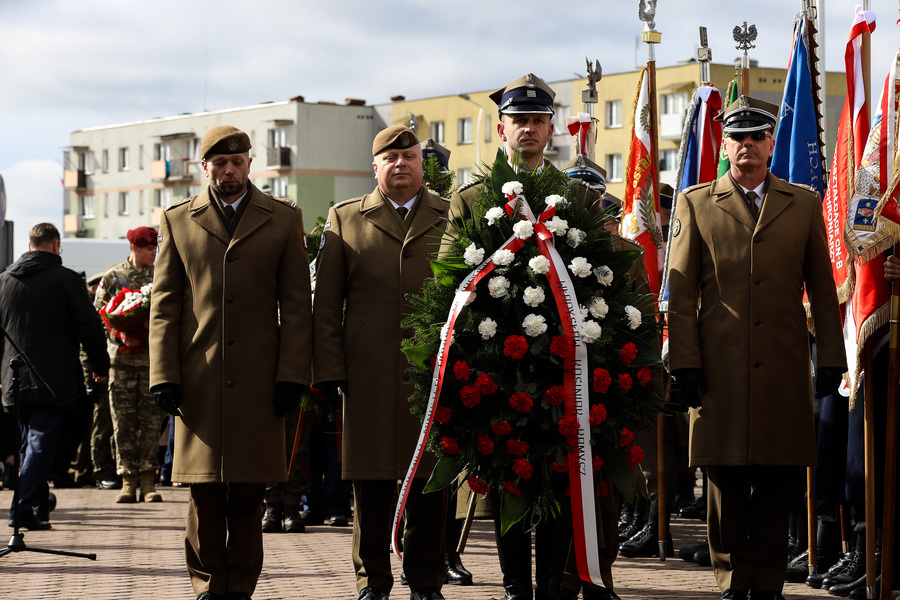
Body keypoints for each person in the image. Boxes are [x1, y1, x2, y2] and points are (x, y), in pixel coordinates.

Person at [445, 74, 620, 600]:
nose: (527, 128)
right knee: (507, 472)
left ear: (552, 129)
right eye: (518, 120)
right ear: (502, 128)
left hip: (559, 359)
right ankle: (516, 582)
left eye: (537, 120)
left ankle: (552, 583)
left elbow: (598, 273)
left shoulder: (573, 195)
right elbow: (449, 276)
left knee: (558, 470)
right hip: (495, 362)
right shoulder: (473, 197)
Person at [666, 95, 846, 600]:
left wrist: (830, 357)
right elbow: (679, 296)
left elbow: (824, 290)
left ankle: (767, 583)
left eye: (757, 137)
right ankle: (730, 579)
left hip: (784, 365)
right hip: (718, 366)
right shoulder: (696, 203)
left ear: (770, 143)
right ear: (725, 144)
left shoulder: (804, 203)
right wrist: (684, 362)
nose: (747, 146)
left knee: (775, 476)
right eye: (738, 137)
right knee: (723, 480)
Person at [149, 125, 312, 600]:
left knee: (247, 489)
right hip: (199, 377)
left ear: (249, 164)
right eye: (219, 163)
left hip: (262, 378)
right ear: (205, 168)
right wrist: (164, 375)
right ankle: (207, 586)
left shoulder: (282, 219)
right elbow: (165, 305)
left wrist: (291, 374)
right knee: (203, 491)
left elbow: (297, 306)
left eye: (237, 161)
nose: (228, 170)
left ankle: (240, 586)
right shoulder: (179, 220)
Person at [313, 124, 450, 600]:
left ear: (422, 164)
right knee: (370, 483)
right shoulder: (346, 218)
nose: (400, 164)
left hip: (434, 373)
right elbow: (326, 305)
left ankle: (426, 579)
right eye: (389, 158)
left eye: (409, 156)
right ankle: (372, 579)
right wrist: (329, 370)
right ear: (375, 167)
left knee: (431, 481)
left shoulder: (452, 217)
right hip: (366, 372)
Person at [0, 223, 110, 530]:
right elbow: (90, 327)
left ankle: (36, 501)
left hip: (12, 378)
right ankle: (22, 507)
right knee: (39, 443)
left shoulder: (4, 280)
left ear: (30, 243)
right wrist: (101, 368)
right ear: (55, 245)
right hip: (50, 378)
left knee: (27, 444)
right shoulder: (66, 280)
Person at [95, 226, 163, 503]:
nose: (154, 253)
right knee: (122, 423)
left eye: (155, 248)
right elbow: (99, 315)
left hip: (151, 362)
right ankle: (126, 482)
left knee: (151, 423)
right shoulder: (113, 277)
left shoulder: (160, 276)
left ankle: (148, 482)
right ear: (135, 248)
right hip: (120, 362)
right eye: (149, 249)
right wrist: (119, 332)